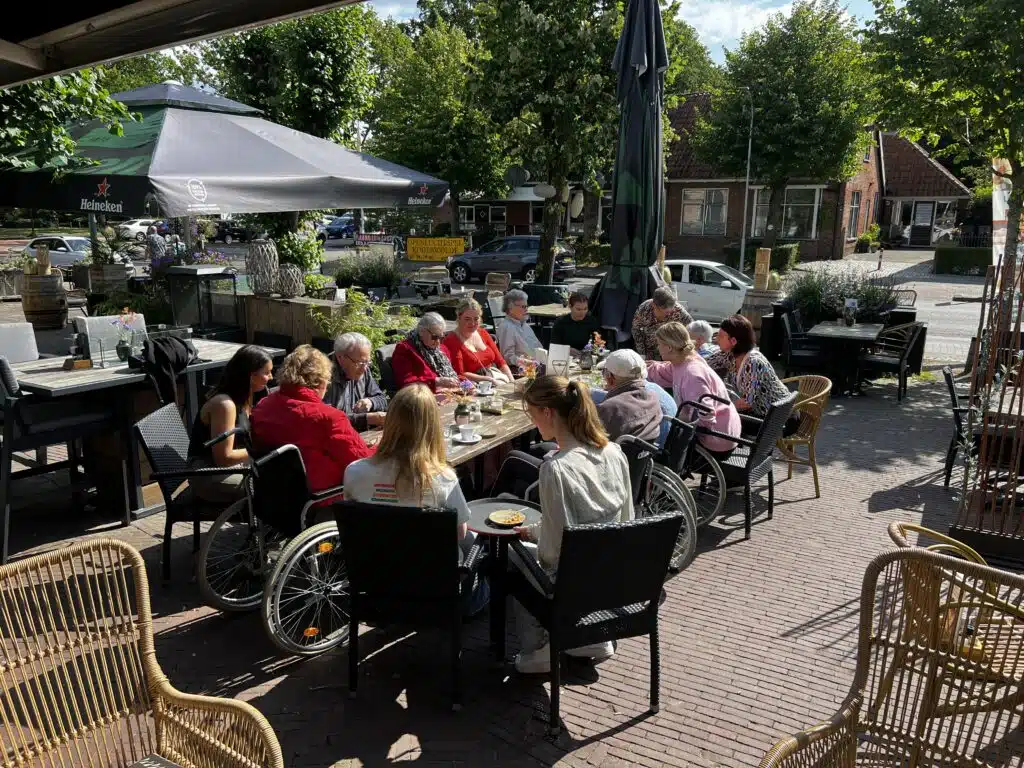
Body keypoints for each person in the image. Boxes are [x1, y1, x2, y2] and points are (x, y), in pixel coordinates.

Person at [511, 375, 634, 674]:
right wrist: (537, 531)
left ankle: (540, 648)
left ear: (548, 413)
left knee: (512, 555)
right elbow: (624, 520)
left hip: (573, 580)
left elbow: (552, 552)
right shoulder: (614, 452)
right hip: (613, 573)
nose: (533, 422)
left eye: (532, 414)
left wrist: (530, 541)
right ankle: (592, 638)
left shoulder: (556, 467)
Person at [343, 385, 488, 613]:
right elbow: (459, 534)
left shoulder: (354, 471)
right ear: (431, 427)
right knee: (474, 541)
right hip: (432, 584)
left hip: (376, 578)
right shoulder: (442, 478)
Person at [251, 345, 374, 493]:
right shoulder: (329, 418)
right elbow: (364, 463)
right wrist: (380, 447)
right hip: (320, 496)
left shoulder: (263, 406)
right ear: (320, 381)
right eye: (327, 381)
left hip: (271, 493)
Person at [187, 345, 273, 502]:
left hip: (231, 469)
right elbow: (224, 458)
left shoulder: (245, 397)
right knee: (271, 487)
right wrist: (264, 450)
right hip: (208, 475)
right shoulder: (224, 405)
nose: (271, 377)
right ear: (251, 376)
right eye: (267, 373)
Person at [647, 323, 741, 457]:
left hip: (716, 440)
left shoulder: (692, 374)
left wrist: (681, 432)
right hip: (724, 431)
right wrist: (639, 367)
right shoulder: (684, 360)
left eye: (659, 344)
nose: (658, 348)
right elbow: (663, 371)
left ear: (668, 347)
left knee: (655, 442)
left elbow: (706, 414)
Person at [707, 315, 795, 435]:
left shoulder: (753, 362)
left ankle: (725, 452)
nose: (717, 339)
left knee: (720, 422)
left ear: (733, 341)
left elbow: (747, 403)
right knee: (720, 421)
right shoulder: (729, 355)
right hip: (760, 414)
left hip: (780, 420)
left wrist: (721, 408)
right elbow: (704, 363)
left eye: (721, 336)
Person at [594, 349, 663, 443]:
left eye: (604, 372)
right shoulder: (653, 397)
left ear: (610, 377)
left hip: (618, 455)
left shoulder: (610, 407)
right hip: (645, 455)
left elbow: (591, 439)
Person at [324, 332, 388, 431]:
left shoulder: (363, 369)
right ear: (340, 357)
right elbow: (326, 419)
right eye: (360, 362)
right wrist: (366, 419)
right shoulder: (323, 375)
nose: (364, 368)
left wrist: (370, 402)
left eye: (368, 362)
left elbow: (382, 399)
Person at [443, 298, 514, 384]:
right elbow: (460, 374)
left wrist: (512, 382)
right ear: (459, 318)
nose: (472, 323)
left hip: (493, 377)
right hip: (472, 385)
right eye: (467, 319)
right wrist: (489, 380)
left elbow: (501, 362)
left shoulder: (482, 332)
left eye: (476, 319)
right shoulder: (451, 340)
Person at [392, 313, 463, 392]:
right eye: (435, 337)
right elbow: (407, 382)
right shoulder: (405, 349)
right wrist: (436, 381)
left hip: (448, 394)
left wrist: (466, 383)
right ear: (422, 331)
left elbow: (454, 375)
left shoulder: (442, 350)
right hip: (424, 398)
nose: (438, 342)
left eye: (441, 337)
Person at [631, 285, 693, 360]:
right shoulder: (644, 309)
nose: (670, 313)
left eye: (672, 309)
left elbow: (692, 327)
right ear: (654, 305)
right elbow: (636, 329)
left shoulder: (677, 309)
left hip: (671, 350)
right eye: (666, 312)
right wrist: (642, 353)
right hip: (649, 350)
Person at [497, 289, 542, 368]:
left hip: (538, 364)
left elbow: (538, 347)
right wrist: (526, 362)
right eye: (523, 306)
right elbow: (507, 357)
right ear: (510, 308)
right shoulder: (506, 327)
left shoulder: (524, 324)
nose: (526, 309)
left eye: (526, 306)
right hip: (523, 370)